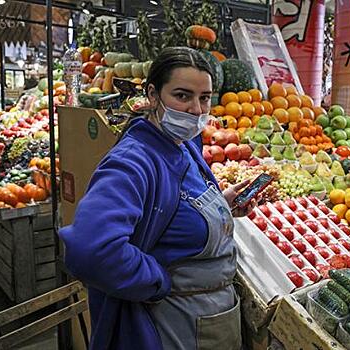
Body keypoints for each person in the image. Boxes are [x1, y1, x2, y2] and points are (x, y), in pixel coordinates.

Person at [59, 47, 255, 350]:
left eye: (204, 98)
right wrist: (156, 281)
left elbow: (174, 208)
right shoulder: (132, 162)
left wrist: (221, 206)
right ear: (153, 94)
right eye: (182, 95)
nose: (196, 110)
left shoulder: (183, 144)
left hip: (208, 319)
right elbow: (90, 249)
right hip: (170, 328)